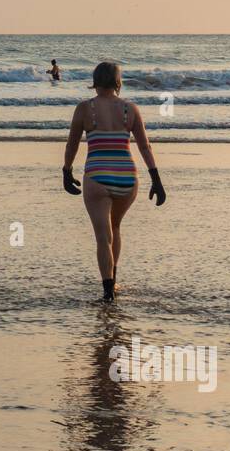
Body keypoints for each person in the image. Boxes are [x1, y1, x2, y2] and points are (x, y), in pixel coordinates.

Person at [61, 61, 166, 303]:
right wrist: (156, 179)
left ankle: (108, 292)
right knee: (115, 228)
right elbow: (144, 146)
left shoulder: (84, 109)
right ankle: (114, 280)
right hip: (127, 177)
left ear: (95, 82)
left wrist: (66, 171)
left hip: (97, 176)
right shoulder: (130, 109)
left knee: (102, 236)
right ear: (118, 82)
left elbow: (72, 144)